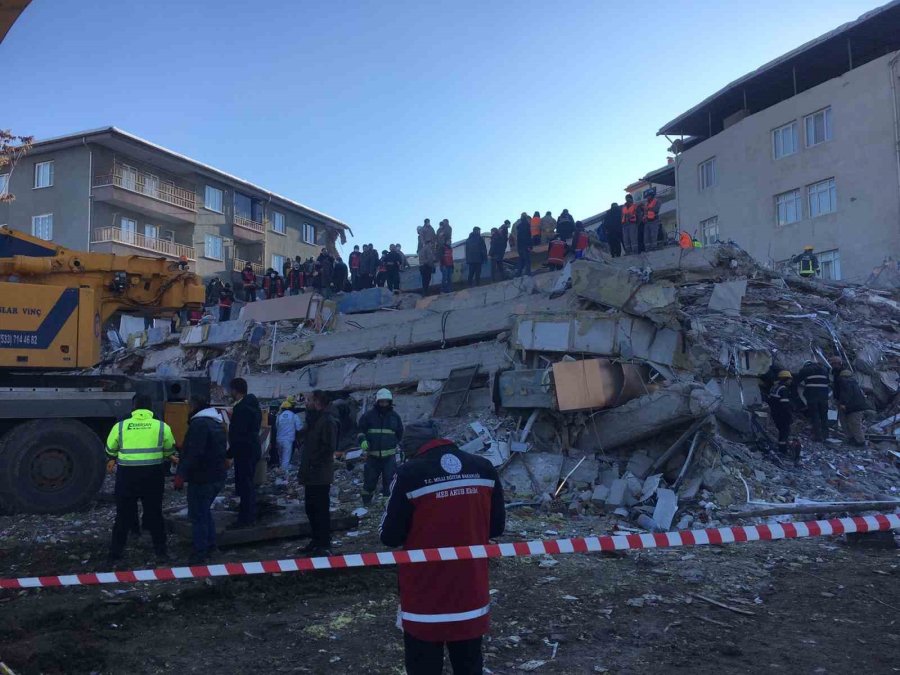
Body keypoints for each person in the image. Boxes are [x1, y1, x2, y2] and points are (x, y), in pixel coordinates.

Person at [381, 420, 505, 675]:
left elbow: (390, 536)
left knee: (423, 664)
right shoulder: (483, 468)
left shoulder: (409, 474)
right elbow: (496, 528)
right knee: (469, 665)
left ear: (411, 447)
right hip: (471, 590)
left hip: (425, 595)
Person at [106, 394, 176, 565]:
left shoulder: (121, 426)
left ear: (134, 407)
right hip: (153, 476)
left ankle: (115, 555)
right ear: (151, 407)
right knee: (154, 514)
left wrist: (114, 457)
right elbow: (169, 450)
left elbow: (110, 449)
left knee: (123, 517)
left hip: (127, 477)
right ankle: (161, 552)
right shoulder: (161, 427)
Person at [174, 396, 227, 564]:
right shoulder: (216, 422)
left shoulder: (199, 424)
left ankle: (200, 552)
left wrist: (181, 474)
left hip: (202, 477)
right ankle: (211, 546)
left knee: (197, 514)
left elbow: (194, 453)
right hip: (216, 475)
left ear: (196, 406)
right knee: (204, 512)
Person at [298, 390, 337, 556]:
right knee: (311, 508)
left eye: (309, 400)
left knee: (320, 509)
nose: (306, 403)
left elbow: (328, 448)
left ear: (317, 401)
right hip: (311, 474)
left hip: (320, 475)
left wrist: (314, 465)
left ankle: (324, 543)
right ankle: (316, 540)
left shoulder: (327, 421)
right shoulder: (314, 420)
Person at [357, 388, 403, 506]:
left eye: (386, 402)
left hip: (389, 458)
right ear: (377, 402)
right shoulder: (368, 416)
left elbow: (399, 434)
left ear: (390, 402)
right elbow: (360, 430)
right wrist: (362, 440)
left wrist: (396, 445)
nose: (384, 404)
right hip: (372, 456)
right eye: (381, 402)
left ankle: (387, 505)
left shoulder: (395, 417)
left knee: (389, 481)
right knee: (369, 481)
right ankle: (366, 504)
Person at [227, 378, 262, 527]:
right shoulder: (253, 406)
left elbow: (239, 434)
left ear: (235, 390)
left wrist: (229, 453)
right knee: (248, 483)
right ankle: (249, 514)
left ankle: (246, 518)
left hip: (244, 451)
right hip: (252, 449)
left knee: (244, 485)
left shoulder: (241, 409)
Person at [796, 359, 831, 442]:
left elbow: (797, 380)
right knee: (824, 416)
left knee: (815, 416)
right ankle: (826, 435)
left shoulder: (806, 370)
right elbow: (827, 381)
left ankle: (817, 436)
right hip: (824, 397)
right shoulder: (824, 369)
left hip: (812, 396)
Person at [834, 370, 871, 446]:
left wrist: (843, 403)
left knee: (854, 424)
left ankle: (860, 442)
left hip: (853, 407)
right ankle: (855, 440)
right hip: (855, 407)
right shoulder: (854, 383)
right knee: (851, 424)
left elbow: (847, 394)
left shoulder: (846, 383)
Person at [767, 370, 794, 459]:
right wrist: (790, 416)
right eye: (790, 379)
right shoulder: (783, 389)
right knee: (784, 432)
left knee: (781, 431)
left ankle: (782, 448)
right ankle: (783, 451)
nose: (791, 381)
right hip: (782, 414)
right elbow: (785, 405)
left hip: (775, 413)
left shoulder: (774, 387)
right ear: (786, 379)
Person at [275, 397, 303, 472]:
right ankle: (284, 476)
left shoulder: (279, 416)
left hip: (279, 439)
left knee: (281, 458)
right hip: (288, 440)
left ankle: (281, 471)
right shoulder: (294, 416)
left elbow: (276, 427)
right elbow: (299, 428)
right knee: (286, 459)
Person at [418, 220, 437, 294]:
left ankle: (425, 291)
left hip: (425, 265)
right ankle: (425, 292)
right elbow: (428, 258)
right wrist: (430, 263)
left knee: (426, 279)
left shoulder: (431, 229)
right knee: (426, 279)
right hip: (425, 266)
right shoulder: (425, 249)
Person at [642, 188, 661, 252]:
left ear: (652, 195)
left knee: (653, 235)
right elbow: (645, 212)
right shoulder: (646, 203)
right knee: (646, 236)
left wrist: (648, 209)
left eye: (648, 196)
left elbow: (656, 209)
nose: (647, 197)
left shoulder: (657, 201)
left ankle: (654, 247)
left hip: (654, 221)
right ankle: (647, 248)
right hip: (647, 222)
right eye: (647, 196)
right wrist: (644, 218)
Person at [515, 212, 533, 277]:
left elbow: (519, 238)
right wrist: (530, 246)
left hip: (520, 247)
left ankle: (518, 273)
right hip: (525, 246)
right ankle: (528, 273)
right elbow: (528, 236)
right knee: (527, 260)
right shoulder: (527, 225)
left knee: (521, 260)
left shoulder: (519, 226)